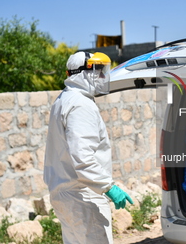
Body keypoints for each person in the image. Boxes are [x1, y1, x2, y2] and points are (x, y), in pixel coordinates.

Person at [43, 51, 133, 244]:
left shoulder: (63, 100)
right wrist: (108, 187)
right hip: (83, 196)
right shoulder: (81, 105)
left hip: (66, 194)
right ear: (83, 73)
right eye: (99, 71)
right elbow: (83, 158)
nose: (102, 77)